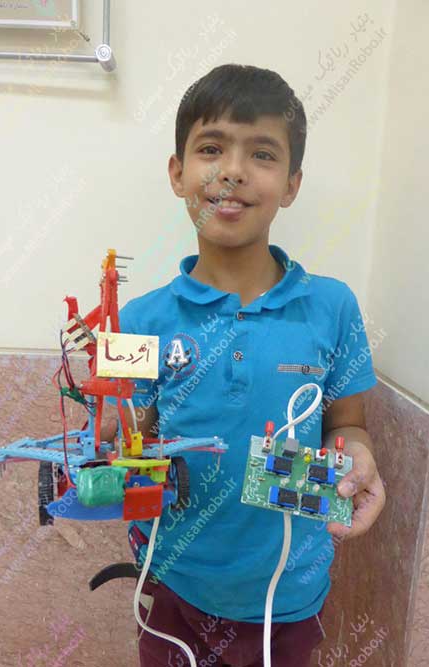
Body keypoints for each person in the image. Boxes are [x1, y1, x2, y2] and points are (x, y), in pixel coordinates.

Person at [101, 63, 386, 667]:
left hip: (289, 598)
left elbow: (348, 424)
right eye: (211, 149)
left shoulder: (332, 308)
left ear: (292, 183)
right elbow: (127, 438)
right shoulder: (139, 319)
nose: (232, 170)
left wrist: (357, 458)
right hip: (170, 585)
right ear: (177, 173)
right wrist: (104, 432)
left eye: (262, 154)